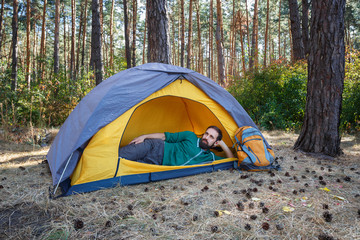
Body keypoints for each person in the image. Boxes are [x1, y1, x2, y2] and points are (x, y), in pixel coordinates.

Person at [119, 126, 234, 166]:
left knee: (123, 167)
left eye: (211, 137)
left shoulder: (209, 157)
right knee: (119, 156)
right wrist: (145, 136)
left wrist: (222, 143)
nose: (206, 137)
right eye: (206, 134)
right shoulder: (191, 136)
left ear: (215, 143)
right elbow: (166, 136)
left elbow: (230, 160)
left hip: (156, 164)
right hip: (155, 147)